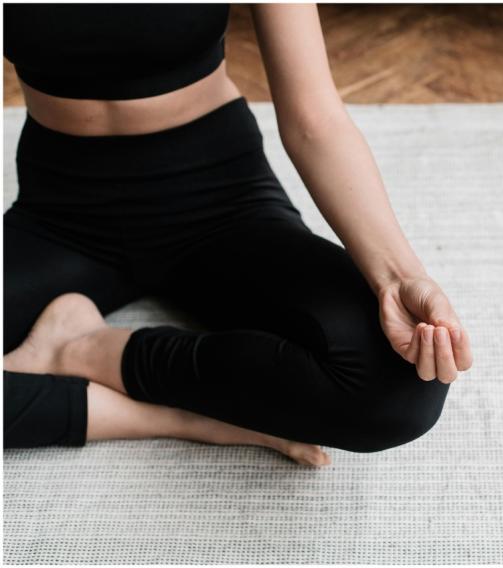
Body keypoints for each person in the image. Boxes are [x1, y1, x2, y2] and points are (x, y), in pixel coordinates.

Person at [2, 3, 473, 467]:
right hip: (59, 214)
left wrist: (397, 277)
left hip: (220, 200)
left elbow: (316, 122)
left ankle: (89, 350)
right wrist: (195, 418)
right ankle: (187, 417)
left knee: (399, 384)